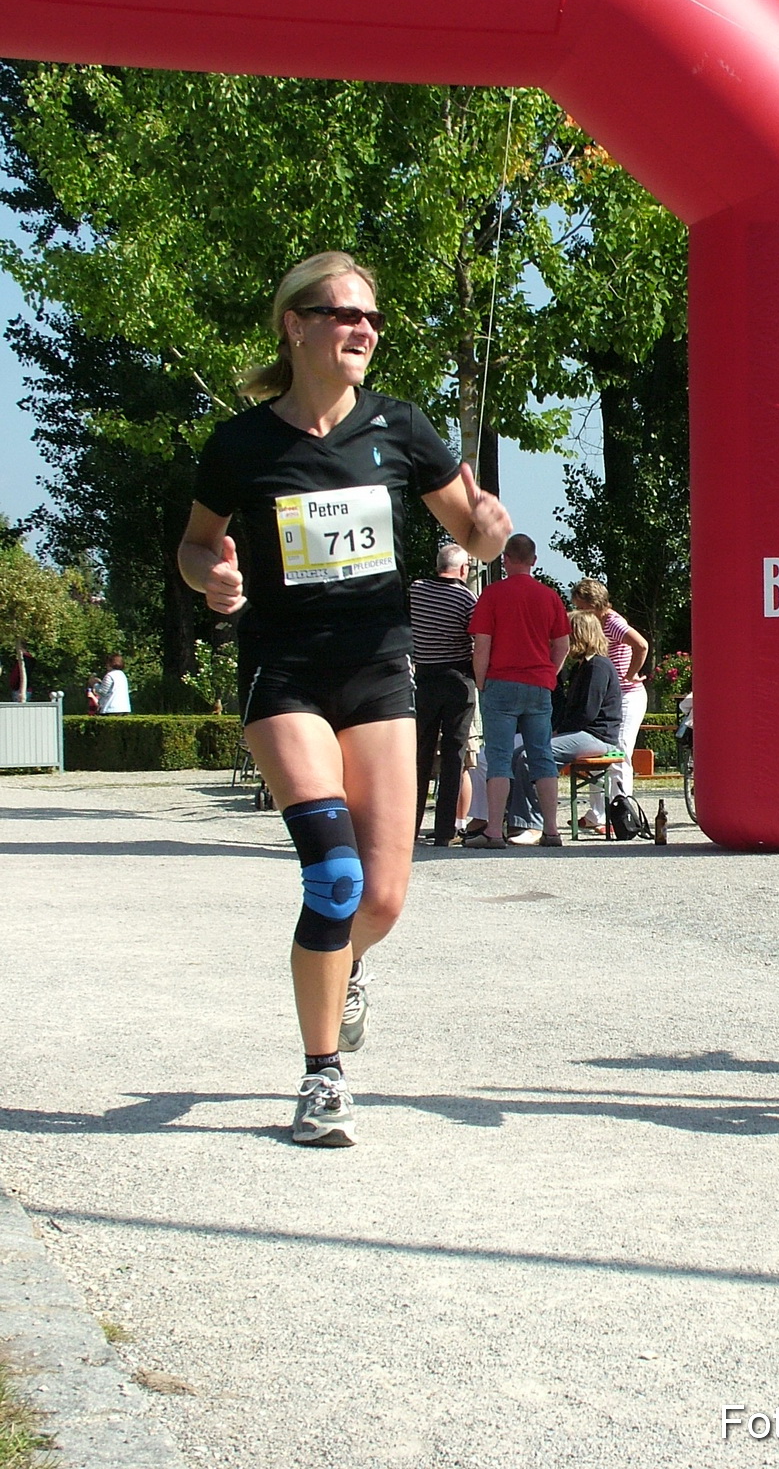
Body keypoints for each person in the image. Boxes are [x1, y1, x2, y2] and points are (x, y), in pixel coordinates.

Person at [177, 250, 511, 1147]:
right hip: (284, 671)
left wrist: (485, 532)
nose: (364, 331)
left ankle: (343, 962)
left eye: (371, 319)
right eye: (344, 315)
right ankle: (321, 1078)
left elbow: (470, 531)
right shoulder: (242, 443)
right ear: (296, 324)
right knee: (332, 874)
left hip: (379, 673)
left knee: (384, 897)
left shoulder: (399, 428)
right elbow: (195, 543)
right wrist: (212, 577)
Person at [466, 533, 570, 849]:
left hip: (500, 682)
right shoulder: (550, 597)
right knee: (541, 755)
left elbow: (481, 645)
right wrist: (549, 676)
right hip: (538, 684)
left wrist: (481, 682)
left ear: (505, 559)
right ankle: (551, 830)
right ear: (534, 561)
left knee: (498, 757)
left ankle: (494, 831)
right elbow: (562, 645)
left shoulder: (492, 595)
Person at [507, 610, 624, 843]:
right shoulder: (585, 666)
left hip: (596, 736)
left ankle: (533, 825)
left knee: (531, 756)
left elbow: (586, 712)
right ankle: (515, 820)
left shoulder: (597, 666)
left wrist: (558, 731)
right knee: (519, 754)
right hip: (586, 733)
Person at [410, 543, 477, 847]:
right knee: (454, 756)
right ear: (463, 569)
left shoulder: (416, 590)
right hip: (457, 680)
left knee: (419, 756)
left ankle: (409, 825)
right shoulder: (466, 597)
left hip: (423, 679)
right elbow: (477, 638)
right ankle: (444, 831)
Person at [569, 578, 648, 829]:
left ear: (595, 605)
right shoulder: (596, 623)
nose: (580, 612)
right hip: (606, 697)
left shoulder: (612, 623)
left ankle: (621, 812)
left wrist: (630, 674)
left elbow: (641, 645)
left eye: (582, 607)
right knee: (596, 751)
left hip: (626, 695)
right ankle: (597, 814)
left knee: (620, 751)